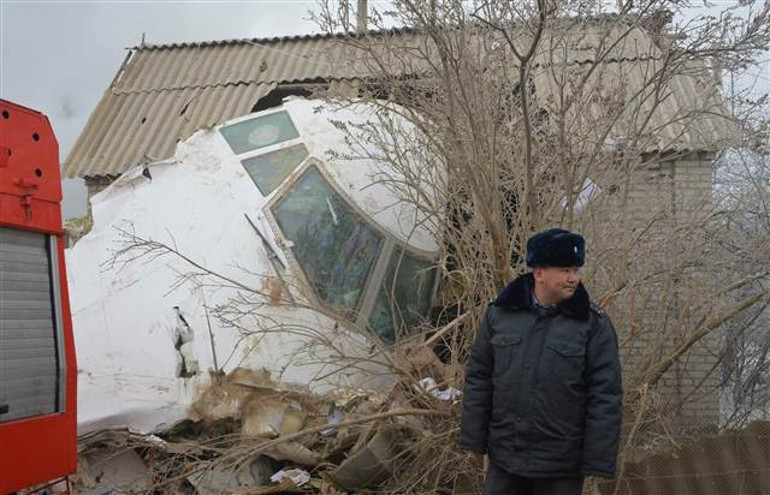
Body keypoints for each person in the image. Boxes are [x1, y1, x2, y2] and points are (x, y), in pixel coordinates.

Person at [459, 228, 622, 495]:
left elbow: (605, 395)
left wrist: (597, 462)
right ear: (539, 273)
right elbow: (479, 378)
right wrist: (474, 442)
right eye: (566, 270)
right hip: (505, 460)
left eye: (576, 270)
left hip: (561, 467)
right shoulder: (500, 315)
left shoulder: (593, 325)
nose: (574, 278)